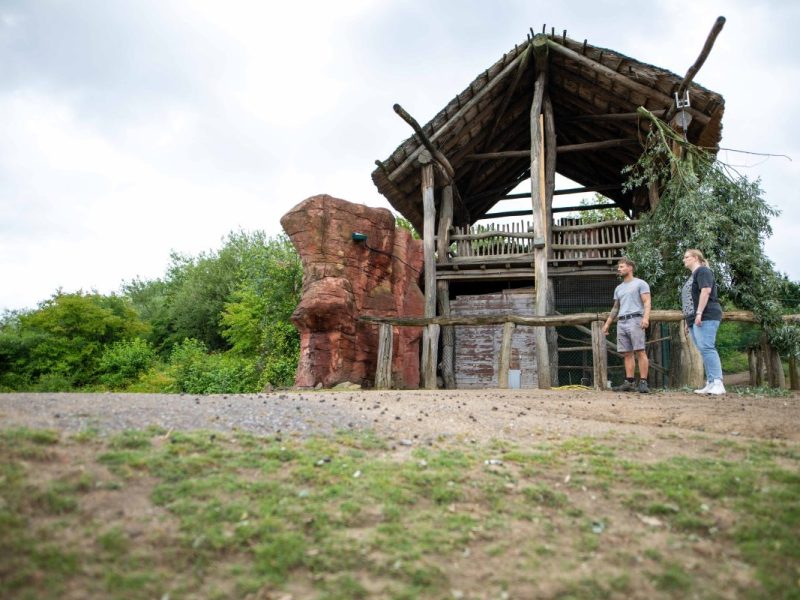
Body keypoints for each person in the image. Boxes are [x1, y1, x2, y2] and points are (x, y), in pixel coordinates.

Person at [602, 257, 651, 393]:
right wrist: (607, 324)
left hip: (636, 319)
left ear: (630, 268)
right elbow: (615, 308)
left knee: (640, 350)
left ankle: (643, 382)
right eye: (619, 267)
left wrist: (645, 318)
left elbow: (647, 302)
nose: (619, 269)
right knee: (627, 353)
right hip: (621, 321)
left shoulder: (641, 284)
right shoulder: (619, 288)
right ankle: (629, 382)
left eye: (622, 267)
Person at [681, 249, 725, 395]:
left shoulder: (703, 271)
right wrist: (689, 320)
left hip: (707, 315)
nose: (684, 260)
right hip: (694, 318)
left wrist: (699, 313)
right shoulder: (693, 275)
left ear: (695, 258)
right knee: (703, 350)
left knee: (707, 347)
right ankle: (711, 383)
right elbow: (690, 299)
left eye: (686, 257)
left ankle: (718, 382)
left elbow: (705, 291)